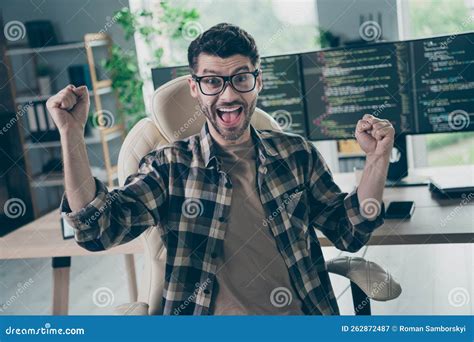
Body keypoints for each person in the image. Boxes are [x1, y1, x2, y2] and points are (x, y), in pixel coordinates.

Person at [46, 23, 394, 315]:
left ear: (258, 82)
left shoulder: (297, 155)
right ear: (195, 88)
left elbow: (349, 233)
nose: (227, 95)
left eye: (240, 78)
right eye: (213, 81)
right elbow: (97, 230)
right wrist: (71, 134)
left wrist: (377, 160)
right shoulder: (169, 167)